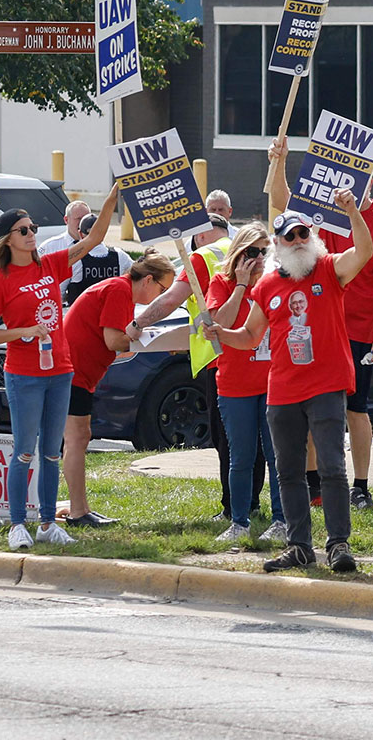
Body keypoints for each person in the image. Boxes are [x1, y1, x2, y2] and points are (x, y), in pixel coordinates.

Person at [206, 189, 371, 574]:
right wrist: (220, 334)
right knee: (288, 471)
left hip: (326, 385)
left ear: (311, 238)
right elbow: (250, 335)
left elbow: (364, 252)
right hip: (282, 391)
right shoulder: (266, 286)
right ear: (277, 246)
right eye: (289, 237)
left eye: (302, 234)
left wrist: (352, 211)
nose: (297, 241)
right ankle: (299, 546)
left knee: (331, 468)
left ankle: (338, 544)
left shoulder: (329, 269)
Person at [0, 193, 119, 551]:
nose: (31, 234)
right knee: (24, 451)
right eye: (23, 230)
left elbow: (94, 239)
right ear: (8, 239)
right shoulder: (1, 280)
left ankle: (47, 523)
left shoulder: (50, 264)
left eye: (33, 228)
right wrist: (22, 331)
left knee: (52, 452)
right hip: (23, 374)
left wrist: (112, 199)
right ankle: (17, 524)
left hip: (60, 370)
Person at [269, 135, 373, 509]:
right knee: (313, 406)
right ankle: (314, 486)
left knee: (355, 409)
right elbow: (282, 203)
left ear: (370, 181)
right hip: (317, 327)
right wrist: (279, 161)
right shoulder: (319, 213)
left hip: (358, 331)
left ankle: (361, 486)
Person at [131, 211, 241, 521]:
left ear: (201, 234)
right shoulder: (244, 251)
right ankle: (252, 504)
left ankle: (234, 506)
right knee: (248, 437)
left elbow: (169, 301)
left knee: (225, 438)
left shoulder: (202, 258)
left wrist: (138, 323)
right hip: (250, 352)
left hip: (217, 357)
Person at [62, 252, 179, 525]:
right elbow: (114, 340)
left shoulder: (121, 290)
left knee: (79, 437)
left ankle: (80, 508)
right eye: (163, 290)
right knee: (77, 439)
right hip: (74, 372)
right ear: (148, 280)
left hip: (78, 373)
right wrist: (157, 342)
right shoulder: (118, 290)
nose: (161, 297)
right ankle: (78, 512)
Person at [203, 222, 288, 546]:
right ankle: (239, 521)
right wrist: (240, 285)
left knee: (277, 456)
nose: (259, 259)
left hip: (273, 383)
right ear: (239, 252)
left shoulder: (274, 281)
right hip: (235, 385)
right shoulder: (221, 282)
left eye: (264, 251)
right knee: (240, 457)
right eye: (252, 252)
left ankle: (281, 520)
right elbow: (219, 325)